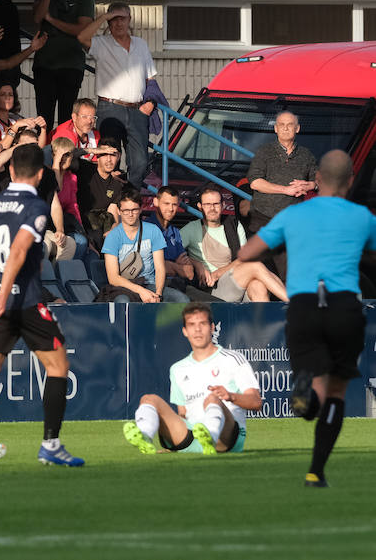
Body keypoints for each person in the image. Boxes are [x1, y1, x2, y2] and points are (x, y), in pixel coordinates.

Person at [237, 150, 376, 487]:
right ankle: (316, 471)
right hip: (343, 305)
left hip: (304, 305)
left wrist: (284, 244)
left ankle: (305, 393)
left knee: (311, 384)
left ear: (317, 179)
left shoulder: (295, 215)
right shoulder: (363, 216)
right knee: (337, 392)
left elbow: (246, 253)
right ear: (351, 180)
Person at [0, 144, 83, 468]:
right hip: (23, 300)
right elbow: (18, 250)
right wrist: (6, 291)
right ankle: (51, 445)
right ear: (41, 173)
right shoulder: (37, 207)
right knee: (57, 367)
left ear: (10, 171)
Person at [125, 303, 262, 457]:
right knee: (148, 399)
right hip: (191, 438)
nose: (197, 330)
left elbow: (256, 402)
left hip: (227, 440)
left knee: (213, 399)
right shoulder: (177, 369)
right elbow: (182, 414)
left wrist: (230, 396)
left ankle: (209, 436)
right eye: (191, 325)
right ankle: (144, 436)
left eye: (202, 324)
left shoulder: (233, 359)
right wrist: (172, 443)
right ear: (185, 331)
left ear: (212, 328)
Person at [77, 3, 157, 185]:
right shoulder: (101, 43)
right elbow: (81, 37)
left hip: (138, 109)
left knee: (141, 162)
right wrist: (104, 17)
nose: (119, 23)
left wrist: (151, 102)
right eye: (114, 19)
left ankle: (130, 200)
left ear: (129, 20)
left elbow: (150, 78)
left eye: (122, 18)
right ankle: (111, 202)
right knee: (110, 159)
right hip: (110, 107)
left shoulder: (141, 44)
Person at [180, 186, 287, 302]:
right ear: (200, 207)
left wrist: (220, 272)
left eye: (216, 204)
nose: (212, 208)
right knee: (255, 265)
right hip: (211, 289)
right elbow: (172, 252)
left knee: (257, 286)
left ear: (223, 205)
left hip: (234, 280)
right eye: (207, 204)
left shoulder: (234, 225)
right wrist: (197, 264)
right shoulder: (191, 228)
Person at [31, 0, 94, 127]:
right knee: (44, 120)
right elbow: (37, 18)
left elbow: (82, 29)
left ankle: (65, 154)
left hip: (71, 65)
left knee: (68, 120)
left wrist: (51, 20)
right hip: (44, 64)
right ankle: (45, 154)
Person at [100, 188, 188, 303]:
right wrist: (141, 291)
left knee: (182, 299)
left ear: (141, 209)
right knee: (123, 302)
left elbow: (160, 268)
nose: (130, 214)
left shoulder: (153, 231)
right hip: (123, 287)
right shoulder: (113, 237)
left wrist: (158, 294)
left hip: (150, 284)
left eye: (134, 210)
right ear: (119, 211)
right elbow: (113, 278)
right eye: (126, 210)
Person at [245, 111, 317, 240]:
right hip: (263, 219)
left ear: (297, 128)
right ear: (275, 128)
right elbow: (255, 182)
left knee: (289, 259)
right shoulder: (264, 151)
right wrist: (286, 190)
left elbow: (320, 180)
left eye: (290, 125)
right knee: (261, 259)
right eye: (281, 124)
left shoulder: (306, 154)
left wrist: (310, 185)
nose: (285, 128)